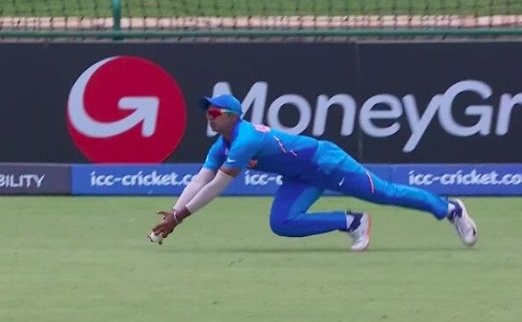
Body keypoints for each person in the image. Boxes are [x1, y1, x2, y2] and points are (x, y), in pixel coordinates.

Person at [149, 94, 478, 251]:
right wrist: (177, 211)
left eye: (216, 112)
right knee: (282, 223)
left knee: (386, 193)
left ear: (233, 115)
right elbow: (200, 179)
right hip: (300, 177)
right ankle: (352, 222)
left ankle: (450, 209)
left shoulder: (245, 140)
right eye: (207, 113)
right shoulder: (223, 143)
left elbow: (218, 185)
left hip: (327, 164)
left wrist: (180, 218)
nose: (210, 117)